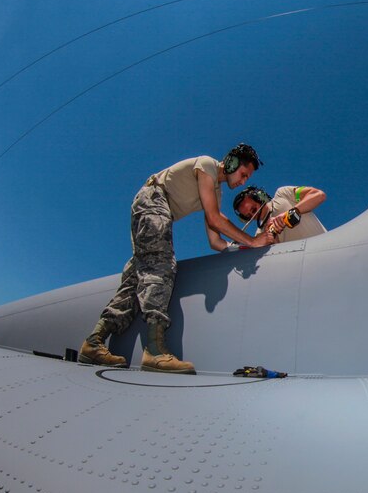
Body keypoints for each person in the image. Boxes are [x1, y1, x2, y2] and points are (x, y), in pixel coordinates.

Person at [79, 143, 276, 374]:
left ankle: (93, 343)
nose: (243, 181)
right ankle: (154, 352)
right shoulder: (207, 165)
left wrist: (240, 249)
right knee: (161, 265)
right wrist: (253, 241)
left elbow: (215, 241)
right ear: (231, 162)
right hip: (154, 199)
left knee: (136, 280)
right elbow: (214, 219)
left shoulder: (215, 193)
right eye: (243, 174)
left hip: (156, 208)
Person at [232, 184, 327, 243]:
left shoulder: (283, 194)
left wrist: (291, 213)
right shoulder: (259, 235)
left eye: (253, 209)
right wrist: (273, 236)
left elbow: (318, 195)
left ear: (259, 197)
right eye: (249, 216)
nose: (254, 216)